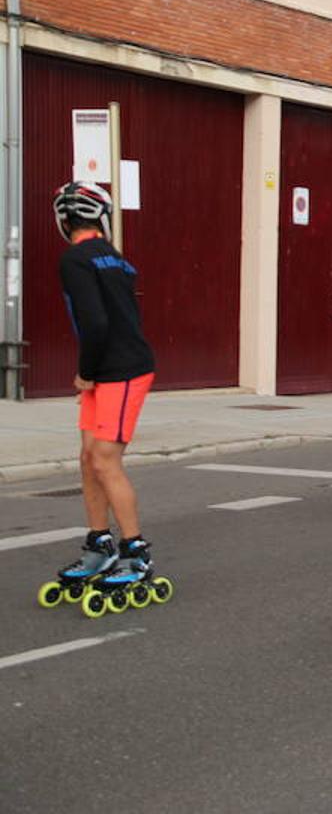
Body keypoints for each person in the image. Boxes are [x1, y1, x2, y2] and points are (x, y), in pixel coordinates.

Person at [41, 182, 168, 614]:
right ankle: (100, 543)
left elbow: (93, 322)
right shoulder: (116, 257)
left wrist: (85, 373)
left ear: (64, 221)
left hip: (120, 370)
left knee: (104, 460)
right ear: (101, 218)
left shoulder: (74, 259)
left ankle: (136, 552)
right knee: (88, 457)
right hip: (113, 365)